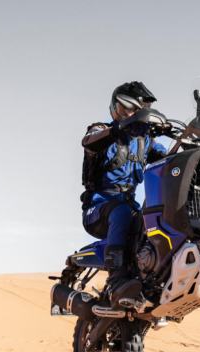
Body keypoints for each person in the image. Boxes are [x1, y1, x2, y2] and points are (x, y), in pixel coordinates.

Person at [80, 81, 168, 306]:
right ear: (116, 108)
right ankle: (116, 281)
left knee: (156, 220)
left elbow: (169, 158)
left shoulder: (145, 142)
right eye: (127, 109)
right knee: (121, 213)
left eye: (137, 111)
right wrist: (117, 129)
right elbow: (89, 142)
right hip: (98, 208)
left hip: (130, 206)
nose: (130, 115)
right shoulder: (101, 130)